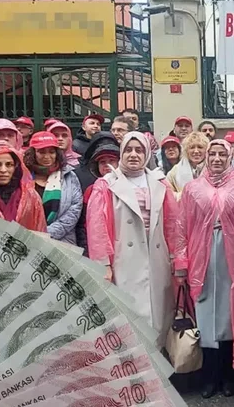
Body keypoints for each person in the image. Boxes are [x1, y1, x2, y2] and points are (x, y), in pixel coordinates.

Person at [172, 139, 234, 399]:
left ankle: (230, 373)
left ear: (231, 157)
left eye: (222, 154)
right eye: (213, 154)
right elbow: (181, 226)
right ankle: (209, 375)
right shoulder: (193, 188)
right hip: (202, 256)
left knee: (231, 314)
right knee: (206, 312)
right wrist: (181, 263)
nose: (217, 159)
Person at [86, 132, 178, 348]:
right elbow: (97, 227)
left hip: (157, 258)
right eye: (128, 150)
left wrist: (176, 256)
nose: (133, 154)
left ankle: (159, 359)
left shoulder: (160, 183)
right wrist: (103, 264)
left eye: (139, 150)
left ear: (147, 154)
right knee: (131, 316)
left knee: (159, 314)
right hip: (124, 259)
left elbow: (173, 223)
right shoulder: (105, 184)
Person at [24, 131, 83, 245]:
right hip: (27, 240)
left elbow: (75, 208)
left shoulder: (69, 176)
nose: (47, 157)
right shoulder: (23, 176)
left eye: (51, 152)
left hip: (62, 242)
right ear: (33, 153)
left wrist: (47, 233)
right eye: (41, 152)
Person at [73, 131, 119, 255]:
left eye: (112, 161)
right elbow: (83, 225)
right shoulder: (91, 190)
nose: (107, 165)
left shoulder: (129, 188)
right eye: (102, 162)